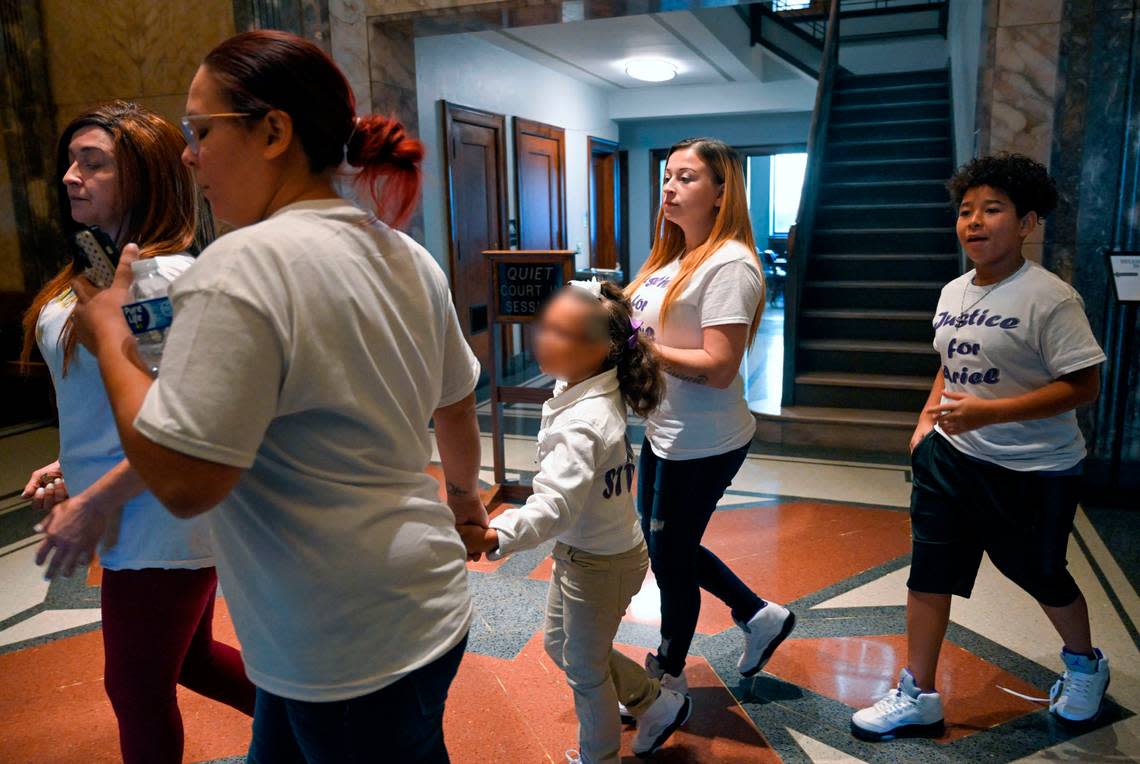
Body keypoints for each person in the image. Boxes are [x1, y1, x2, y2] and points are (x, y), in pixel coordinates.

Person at [67, 31, 485, 762]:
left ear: (273, 131)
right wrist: (464, 502)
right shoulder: (403, 253)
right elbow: (454, 402)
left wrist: (109, 336)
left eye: (201, 131)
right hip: (416, 606)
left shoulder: (240, 266)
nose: (189, 153)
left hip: (342, 645)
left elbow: (185, 481)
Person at [19, 101, 255, 764]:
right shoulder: (104, 272)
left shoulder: (160, 282)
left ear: (143, 179)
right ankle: (321, 739)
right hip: (142, 508)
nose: (70, 177)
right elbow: (129, 405)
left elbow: (184, 425)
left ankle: (322, 737)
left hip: (159, 522)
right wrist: (78, 469)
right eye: (71, 161)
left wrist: (92, 500)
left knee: (135, 687)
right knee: (193, 662)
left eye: (93, 164)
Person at [851, 153, 1110, 741]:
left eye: (993, 210)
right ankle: (917, 693)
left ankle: (1085, 666)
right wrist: (925, 423)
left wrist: (991, 413)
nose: (974, 222)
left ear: (1026, 223)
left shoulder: (1050, 298)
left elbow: (1083, 385)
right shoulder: (952, 291)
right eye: (966, 211)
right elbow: (949, 366)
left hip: (1034, 467)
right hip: (951, 457)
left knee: (1039, 571)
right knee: (929, 573)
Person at [460, 280, 690, 763]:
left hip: (600, 564)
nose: (543, 338)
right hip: (591, 553)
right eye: (545, 325)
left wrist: (495, 534)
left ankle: (599, 757)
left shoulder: (583, 422)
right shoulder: (582, 385)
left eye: (559, 332)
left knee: (584, 673)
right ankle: (655, 703)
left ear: (598, 349)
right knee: (562, 647)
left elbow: (553, 506)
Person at [625, 138, 796, 696]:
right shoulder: (670, 259)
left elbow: (719, 366)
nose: (669, 188)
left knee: (671, 561)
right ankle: (758, 614)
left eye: (687, 178)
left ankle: (666, 678)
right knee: (666, 547)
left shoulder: (731, 266)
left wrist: (635, 347)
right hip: (664, 431)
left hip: (704, 440)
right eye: (667, 177)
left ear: (721, 194)